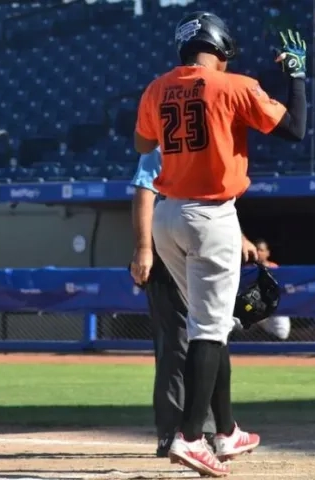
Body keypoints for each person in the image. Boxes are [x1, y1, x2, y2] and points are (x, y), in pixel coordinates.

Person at [129, 11, 307, 477]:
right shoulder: (235, 85)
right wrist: (297, 77)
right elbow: (295, 129)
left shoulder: (155, 88)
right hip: (211, 214)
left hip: (167, 215)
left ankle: (226, 430)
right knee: (209, 329)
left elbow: (143, 142)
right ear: (221, 46)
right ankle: (191, 438)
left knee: (214, 323)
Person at [130, 147, 218, 458]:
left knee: (207, 338)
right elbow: (144, 190)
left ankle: (205, 429)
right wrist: (143, 248)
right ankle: (172, 432)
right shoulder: (163, 145)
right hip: (166, 254)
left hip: (199, 248)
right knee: (176, 345)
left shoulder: (207, 144)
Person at [253, 239, 291, 340]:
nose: (258, 252)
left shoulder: (275, 268)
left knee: (282, 333)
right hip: (252, 307)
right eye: (256, 250)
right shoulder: (247, 269)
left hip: (272, 308)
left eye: (261, 250)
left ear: (267, 253)